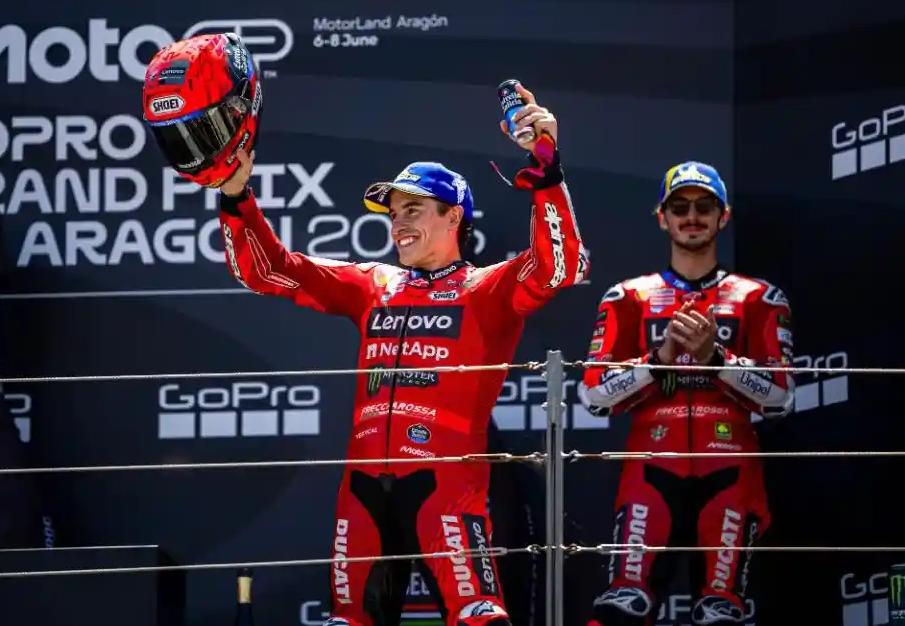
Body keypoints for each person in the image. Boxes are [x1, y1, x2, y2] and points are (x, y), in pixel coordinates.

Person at [142, 42, 587, 626]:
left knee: (480, 616)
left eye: (413, 210)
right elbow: (266, 271)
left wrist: (546, 170)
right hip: (361, 492)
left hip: (445, 487)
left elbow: (559, 266)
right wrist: (235, 196)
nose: (398, 223)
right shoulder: (373, 283)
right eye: (393, 213)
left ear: (454, 216)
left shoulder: (487, 288)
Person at [578, 162, 795, 626]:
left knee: (721, 611)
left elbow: (781, 397)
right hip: (650, 469)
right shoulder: (627, 298)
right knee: (623, 606)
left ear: (723, 216)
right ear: (663, 218)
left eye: (704, 206)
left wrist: (716, 358)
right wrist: (660, 359)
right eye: (679, 207)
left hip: (731, 470)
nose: (691, 216)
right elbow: (594, 396)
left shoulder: (759, 298)